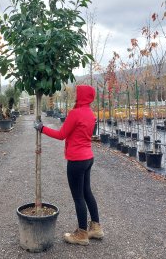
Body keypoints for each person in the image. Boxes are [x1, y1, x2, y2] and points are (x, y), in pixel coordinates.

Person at [34, 85, 104, 246]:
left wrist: (41, 128)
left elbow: (61, 135)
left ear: (81, 96)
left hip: (76, 161)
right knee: (87, 193)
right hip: (88, 158)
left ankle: (81, 234)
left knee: (78, 197)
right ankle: (96, 227)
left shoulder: (75, 113)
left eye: (77, 94)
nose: (75, 96)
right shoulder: (90, 114)